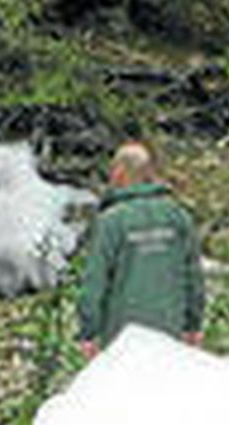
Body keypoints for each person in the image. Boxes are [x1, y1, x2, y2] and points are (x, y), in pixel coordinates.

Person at [78, 141, 205, 358]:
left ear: (119, 174)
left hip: (122, 341)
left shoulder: (111, 222)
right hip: (171, 334)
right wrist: (193, 325)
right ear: (150, 173)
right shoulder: (178, 216)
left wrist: (89, 333)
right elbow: (194, 277)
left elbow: (94, 282)